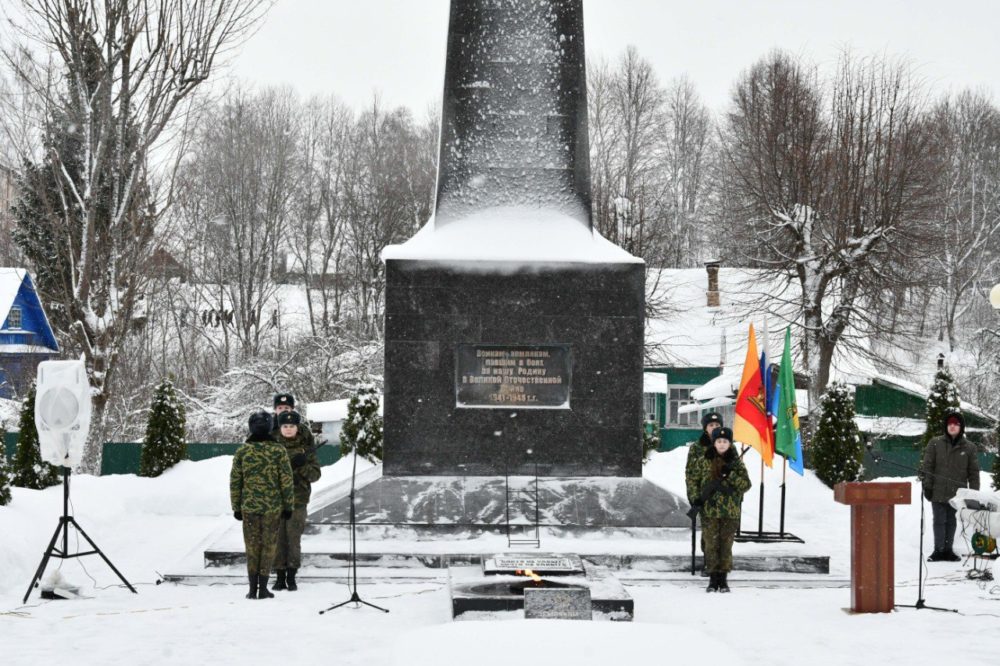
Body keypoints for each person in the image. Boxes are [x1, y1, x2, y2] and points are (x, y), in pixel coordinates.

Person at [230, 411, 294, 599]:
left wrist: (236, 507)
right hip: (272, 508)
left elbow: (235, 481)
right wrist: (288, 506)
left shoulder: (243, 451)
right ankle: (263, 588)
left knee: (251, 547)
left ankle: (252, 589)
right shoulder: (278, 450)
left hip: (249, 508)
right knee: (268, 547)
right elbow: (286, 480)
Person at [690, 426, 751, 592]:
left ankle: (723, 580)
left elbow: (746, 485)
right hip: (709, 510)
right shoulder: (704, 460)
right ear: (714, 443)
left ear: (730, 443)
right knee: (711, 545)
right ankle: (712, 579)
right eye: (719, 441)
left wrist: (730, 474)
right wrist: (696, 499)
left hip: (730, 511)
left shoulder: (736, 462)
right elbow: (694, 480)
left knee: (726, 545)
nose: (722, 444)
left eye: (725, 441)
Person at [271, 410, 322, 592]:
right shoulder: (271, 446)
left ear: (297, 427)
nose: (288, 429)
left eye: (292, 426)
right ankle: (279, 576)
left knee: (293, 539)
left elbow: (315, 475)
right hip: (276, 501)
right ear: (280, 427)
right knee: (277, 540)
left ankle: (291, 576)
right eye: (285, 426)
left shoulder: (306, 447)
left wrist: (302, 466)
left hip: (298, 500)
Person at [921, 409, 980, 562]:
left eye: (956, 424)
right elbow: (928, 466)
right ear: (946, 426)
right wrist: (927, 486)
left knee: (952, 521)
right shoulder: (935, 443)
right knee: (939, 520)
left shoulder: (970, 448)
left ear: (961, 427)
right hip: (938, 491)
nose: (952, 426)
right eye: (950, 424)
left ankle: (948, 550)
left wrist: (973, 494)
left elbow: (973, 473)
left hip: (957, 494)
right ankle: (938, 550)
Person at [685, 412, 724, 574]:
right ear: (705, 428)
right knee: (709, 531)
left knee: (724, 531)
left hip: (725, 497)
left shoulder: (728, 445)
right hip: (705, 497)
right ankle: (710, 563)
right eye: (711, 425)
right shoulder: (696, 448)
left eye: (717, 425)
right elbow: (691, 475)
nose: (714, 428)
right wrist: (695, 498)